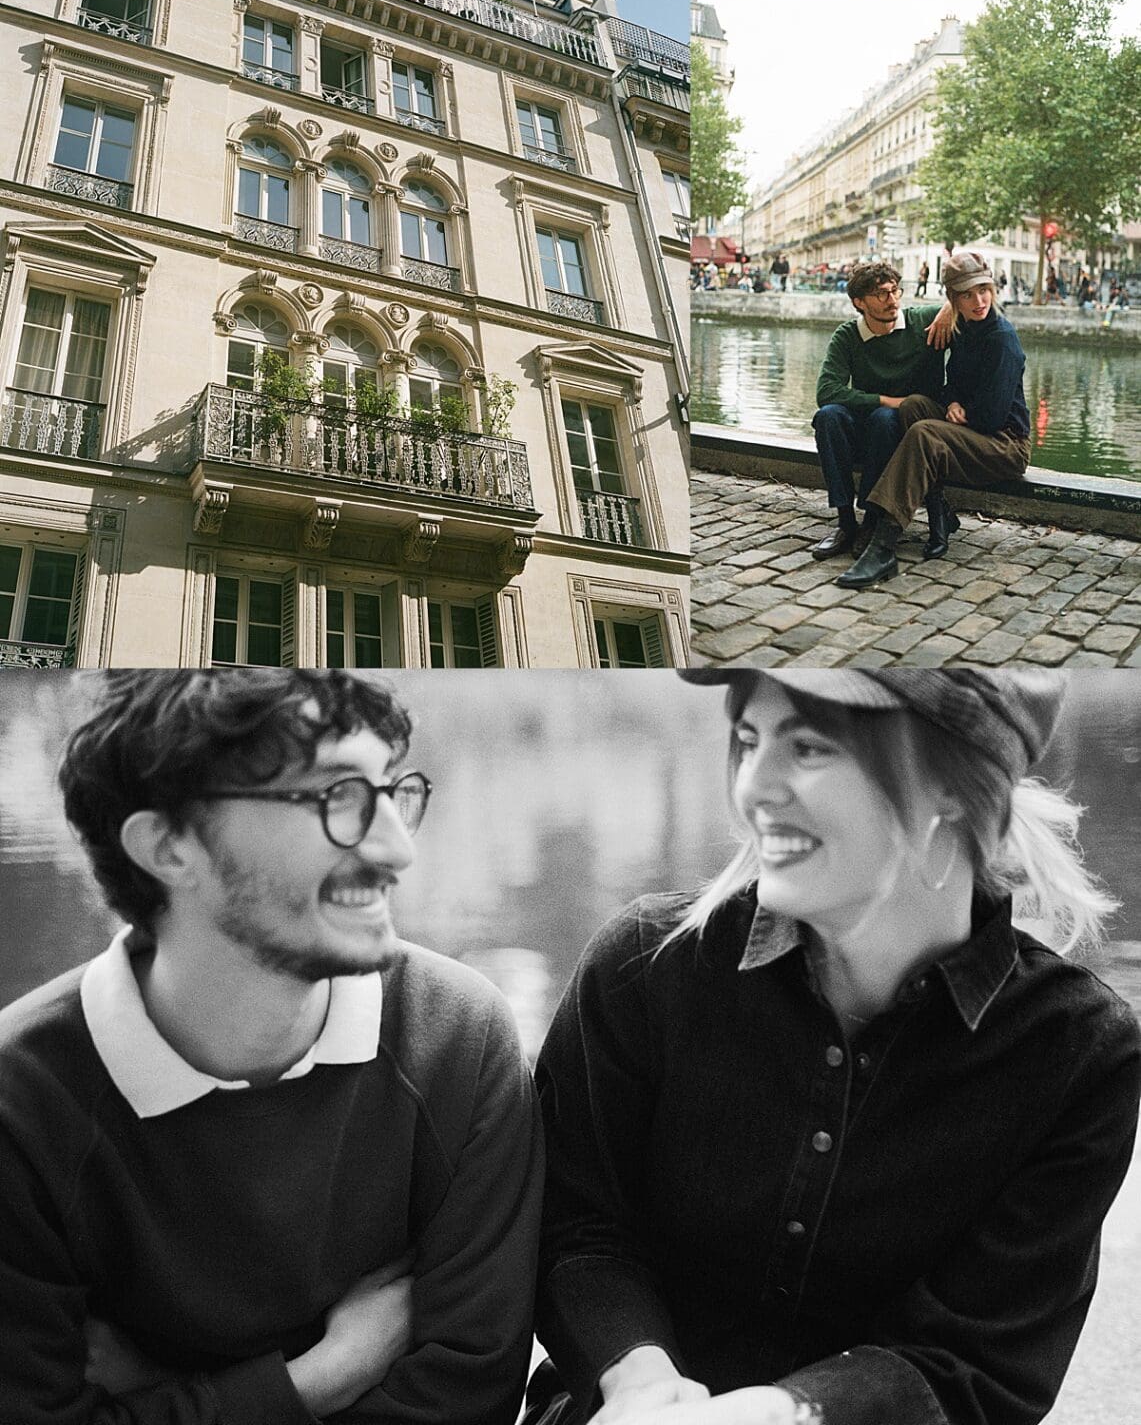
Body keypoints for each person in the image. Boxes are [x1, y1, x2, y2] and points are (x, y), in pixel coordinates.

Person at [531, 667, 1141, 1425]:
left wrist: (770, 1415)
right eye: (747, 741)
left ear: (953, 784)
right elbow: (575, 1227)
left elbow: (976, 1365)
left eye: (810, 748)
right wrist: (641, 1388)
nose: (754, 786)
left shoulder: (1079, 1056)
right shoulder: (641, 968)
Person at [0, 668, 542, 1423]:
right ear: (168, 847)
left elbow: (463, 1403)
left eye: (391, 792)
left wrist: (163, 1400)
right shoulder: (18, 1103)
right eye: (335, 798)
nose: (395, 849)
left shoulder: (458, 1040)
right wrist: (321, 1377)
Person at [847, 249, 1030, 588]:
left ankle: (883, 544)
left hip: (1005, 444)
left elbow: (991, 416)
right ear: (953, 299)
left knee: (926, 434)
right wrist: (955, 400)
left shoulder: (1002, 339)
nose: (979, 301)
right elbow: (951, 387)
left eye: (984, 290)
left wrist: (965, 411)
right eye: (967, 294)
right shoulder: (963, 329)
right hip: (976, 431)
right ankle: (938, 515)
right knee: (914, 406)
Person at [809, 259, 950, 562]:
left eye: (895, 290)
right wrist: (885, 399)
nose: (892, 300)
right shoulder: (848, 335)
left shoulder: (922, 320)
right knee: (828, 416)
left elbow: (970, 303)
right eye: (881, 294)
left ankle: (872, 521)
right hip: (870, 425)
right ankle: (846, 522)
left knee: (886, 419)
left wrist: (948, 308)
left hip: (908, 435)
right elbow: (827, 391)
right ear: (859, 302)